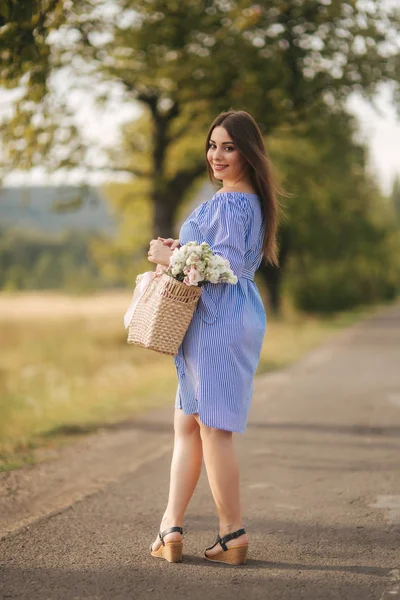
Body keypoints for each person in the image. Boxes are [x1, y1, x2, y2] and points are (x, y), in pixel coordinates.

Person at [146, 109, 279, 565]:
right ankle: (171, 528)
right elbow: (220, 260)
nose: (216, 155)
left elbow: (208, 270)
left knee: (214, 430)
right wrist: (182, 252)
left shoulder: (228, 203)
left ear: (248, 153)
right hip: (236, 313)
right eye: (213, 145)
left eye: (229, 146)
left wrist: (167, 255)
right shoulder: (254, 203)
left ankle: (232, 533)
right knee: (188, 423)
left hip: (214, 319)